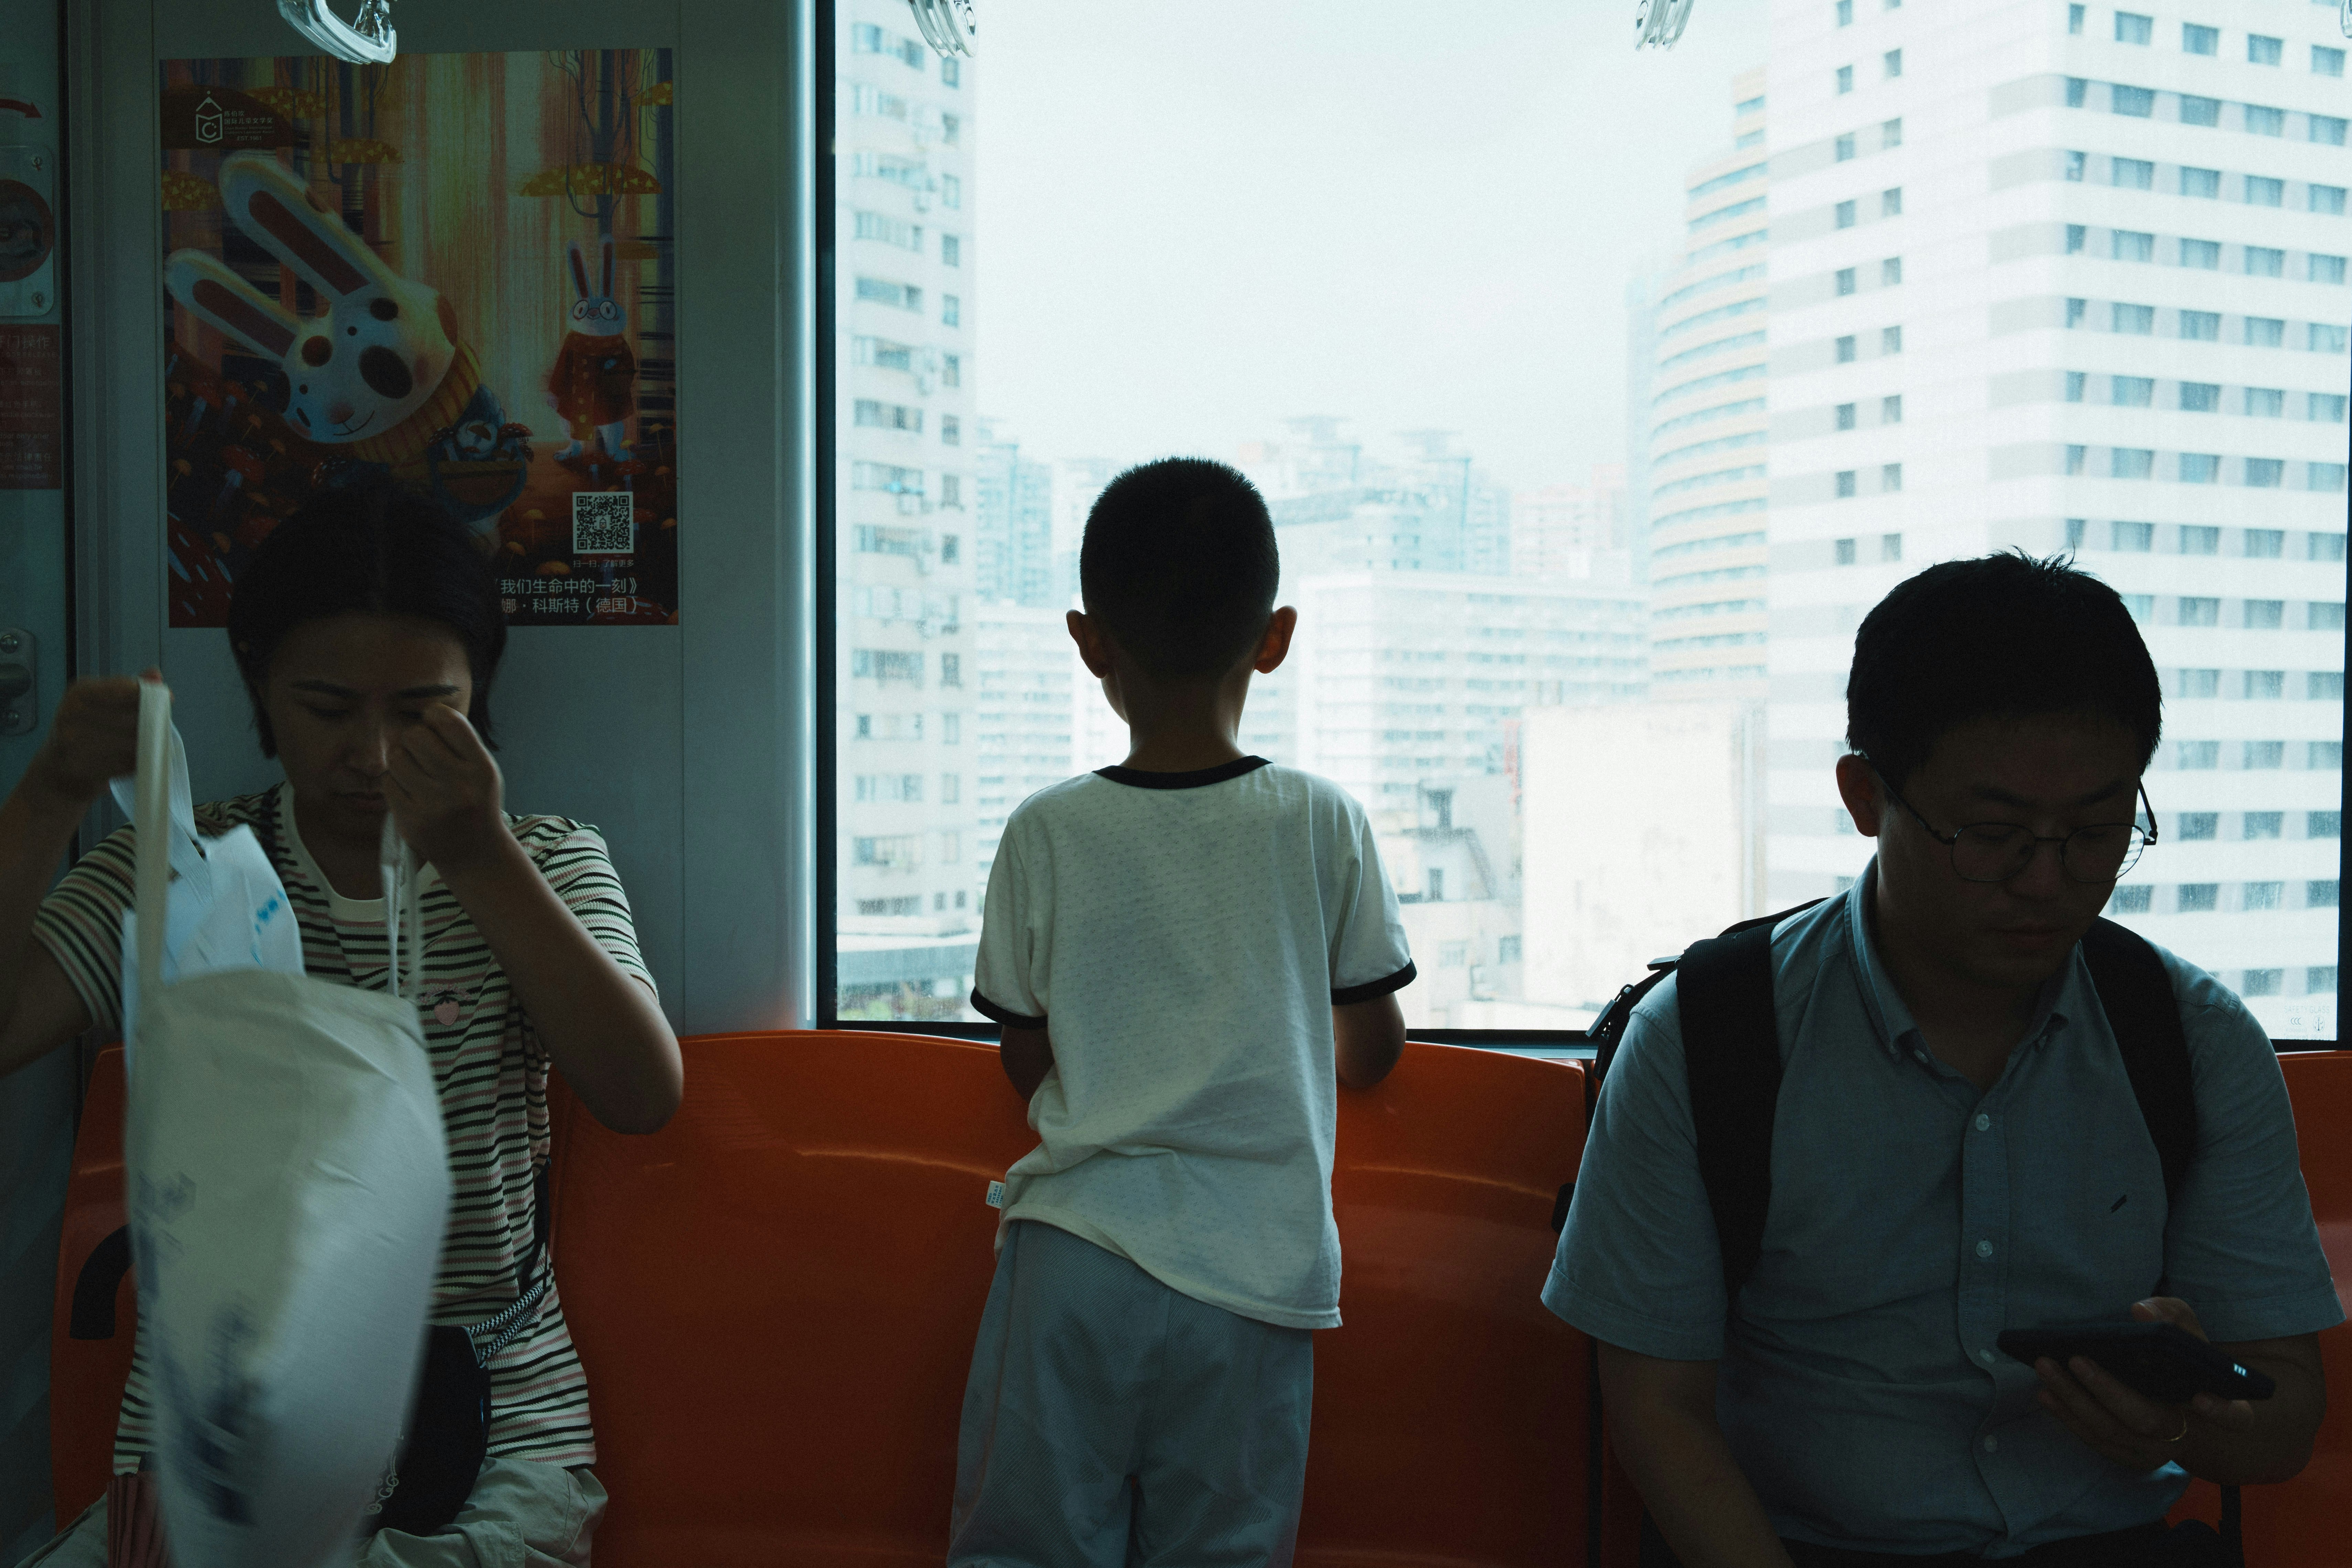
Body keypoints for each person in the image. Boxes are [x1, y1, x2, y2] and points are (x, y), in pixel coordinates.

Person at [1547, 552, 2339, 1567]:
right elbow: (1657, 1410)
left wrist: (2182, 1424)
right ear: (1866, 795)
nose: (2048, 880)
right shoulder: (1708, 1037)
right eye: (1993, 832)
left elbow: (2286, 1419)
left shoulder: (2191, 1039)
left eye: (2098, 829)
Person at [0, 479, 683, 1568]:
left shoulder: (545, 860)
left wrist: (477, 855)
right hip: (225, 1409)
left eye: (421, 712)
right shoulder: (188, 870)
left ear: (481, 697)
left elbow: (643, 1094)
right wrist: (48, 796)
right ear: (261, 694)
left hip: (490, 1410)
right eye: (327, 710)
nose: (370, 755)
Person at [947, 457, 1417, 1565]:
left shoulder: (1045, 831)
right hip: (1255, 1281)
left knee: (1029, 1546)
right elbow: (1374, 1052)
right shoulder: (1321, 821)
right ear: (1277, 634)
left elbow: (1026, 1055)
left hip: (1073, 1258)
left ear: (1089, 639)